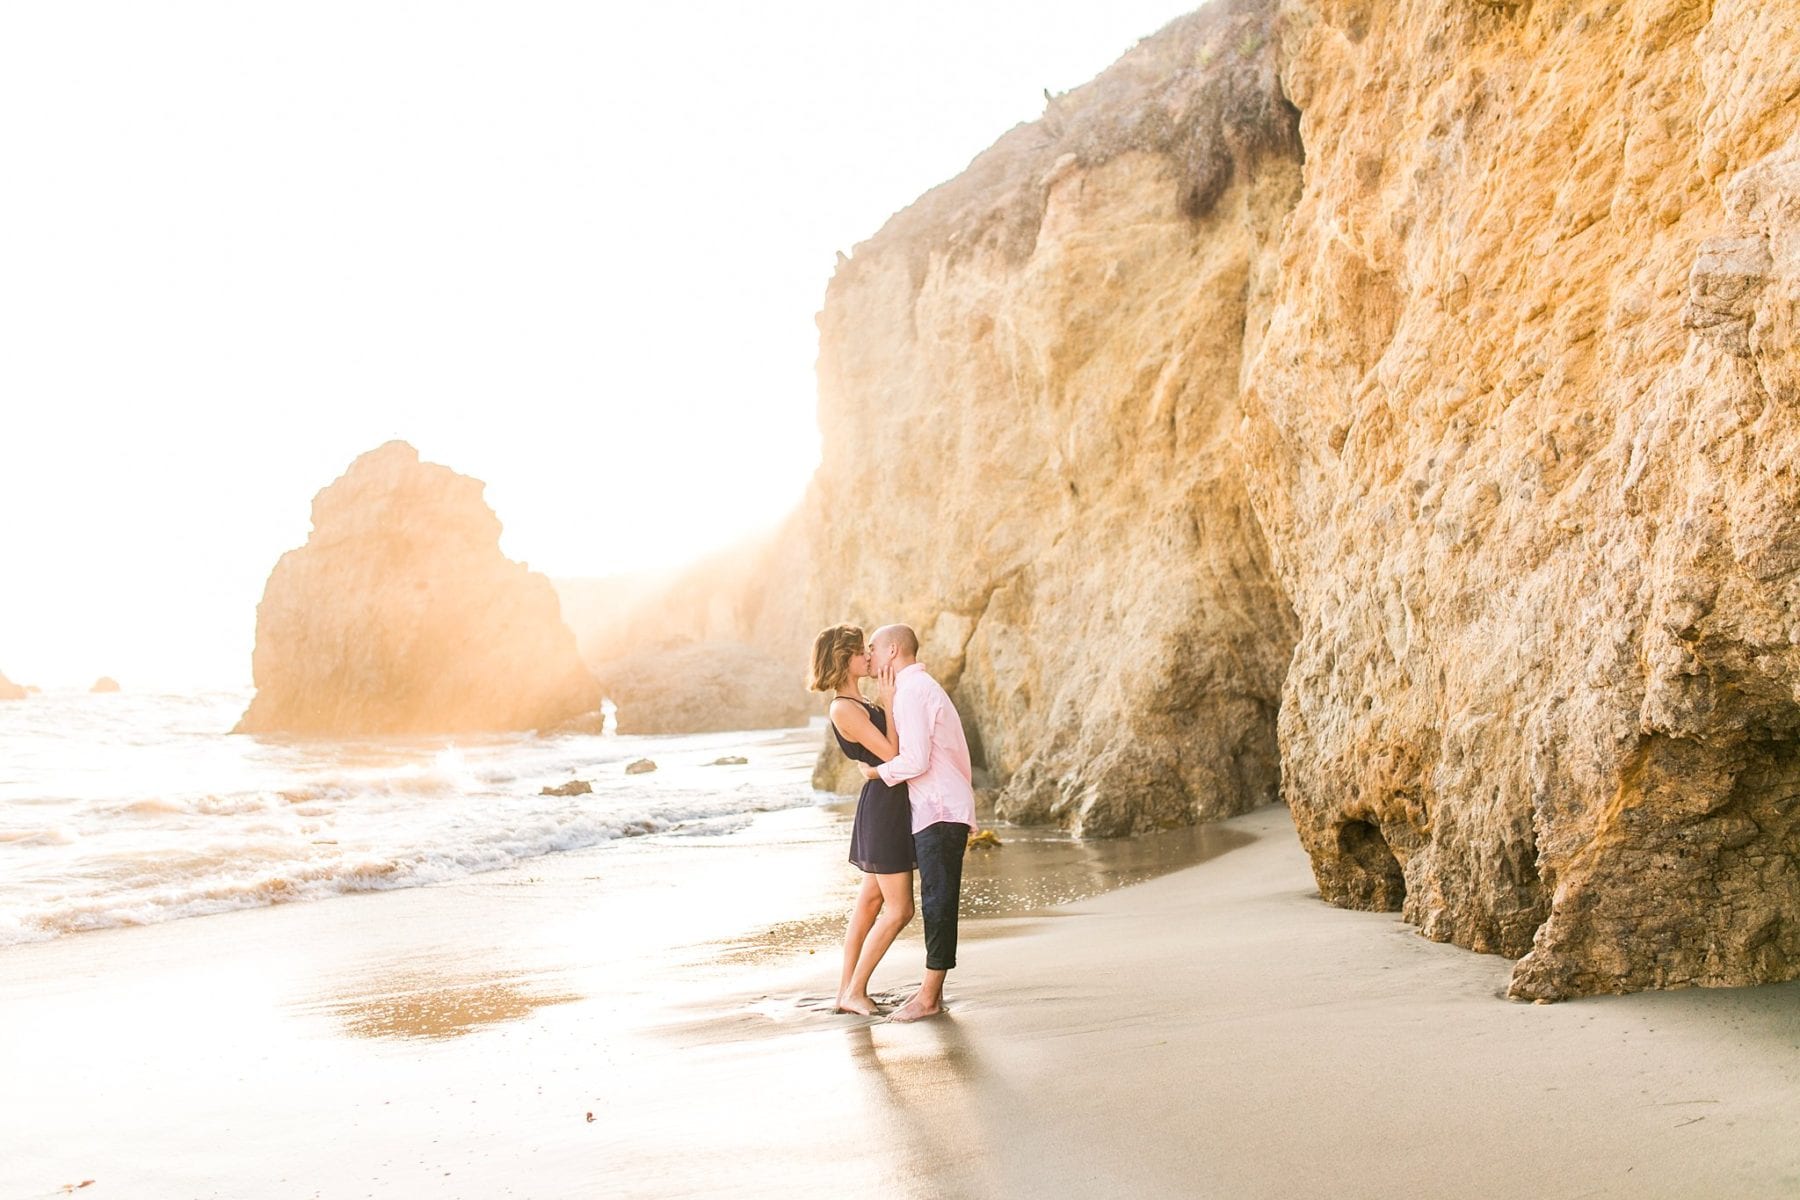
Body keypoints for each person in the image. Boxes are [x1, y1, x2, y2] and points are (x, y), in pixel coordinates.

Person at [858, 622, 976, 1023]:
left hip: (939, 809)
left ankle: (929, 997)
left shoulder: (912, 691)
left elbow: (915, 761)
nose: (868, 655)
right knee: (936, 899)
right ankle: (930, 991)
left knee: (939, 901)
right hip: (938, 806)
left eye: (873, 647)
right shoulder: (916, 689)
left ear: (892, 650)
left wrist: (873, 773)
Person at [808, 623, 914, 1016]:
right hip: (883, 809)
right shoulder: (843, 707)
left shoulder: (859, 701)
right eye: (860, 651)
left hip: (885, 801)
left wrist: (882, 700)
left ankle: (844, 993)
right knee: (900, 910)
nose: (869, 657)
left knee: (870, 902)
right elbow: (891, 754)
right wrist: (888, 700)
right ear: (843, 659)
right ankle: (855, 991)